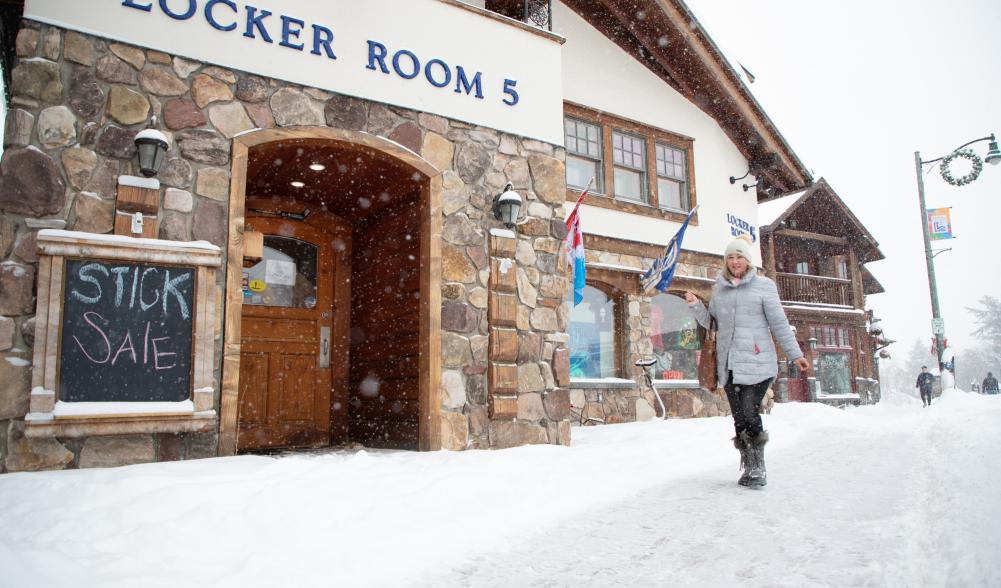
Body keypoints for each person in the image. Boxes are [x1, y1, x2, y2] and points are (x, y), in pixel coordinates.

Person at [686, 236, 808, 488]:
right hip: (730, 365)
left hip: (758, 362)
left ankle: (758, 468)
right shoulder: (719, 288)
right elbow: (712, 323)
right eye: (730, 257)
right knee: (739, 418)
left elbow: (779, 323)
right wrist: (696, 306)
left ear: (747, 260)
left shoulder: (764, 286)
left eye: (739, 257)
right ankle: (748, 465)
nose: (734, 262)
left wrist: (796, 354)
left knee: (751, 413)